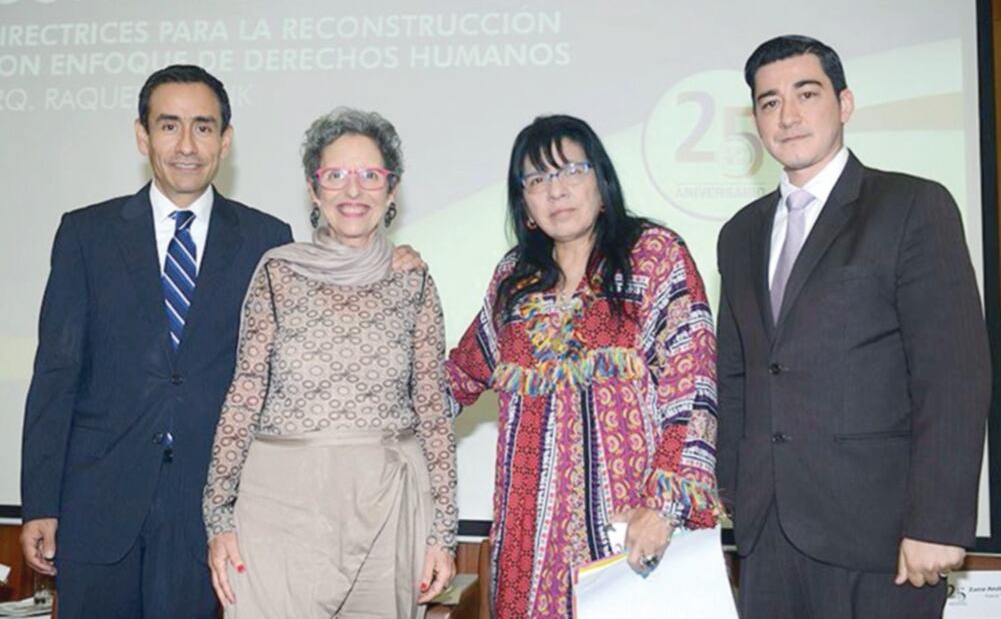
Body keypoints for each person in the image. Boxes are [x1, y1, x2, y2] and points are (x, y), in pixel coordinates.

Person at [715, 35, 991, 618]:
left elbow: (954, 375)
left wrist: (938, 522)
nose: (787, 116)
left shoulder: (913, 206)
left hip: (885, 540)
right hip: (768, 539)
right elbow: (737, 375)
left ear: (844, 104)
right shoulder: (739, 234)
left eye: (805, 93)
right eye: (768, 102)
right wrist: (735, 496)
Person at [19, 64, 294, 618]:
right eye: (169, 126)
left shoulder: (268, 241)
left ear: (227, 139)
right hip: (98, 505)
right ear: (142, 136)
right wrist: (40, 502)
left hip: (211, 516)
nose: (187, 145)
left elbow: (281, 380)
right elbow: (56, 374)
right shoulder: (86, 234)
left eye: (204, 127)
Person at [446, 114, 721, 618]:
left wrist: (663, 507)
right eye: (538, 179)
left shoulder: (656, 257)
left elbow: (693, 391)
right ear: (524, 203)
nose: (557, 191)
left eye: (571, 170)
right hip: (529, 544)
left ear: (601, 181)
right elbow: (456, 378)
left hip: (632, 531)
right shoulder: (514, 280)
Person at [203, 107, 457, 618]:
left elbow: (431, 409)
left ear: (392, 191)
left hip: (387, 512)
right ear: (314, 190)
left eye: (370, 175)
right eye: (335, 175)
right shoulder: (278, 274)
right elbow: (245, 393)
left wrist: (443, 534)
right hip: (279, 513)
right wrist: (218, 518)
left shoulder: (414, 282)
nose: (353, 190)